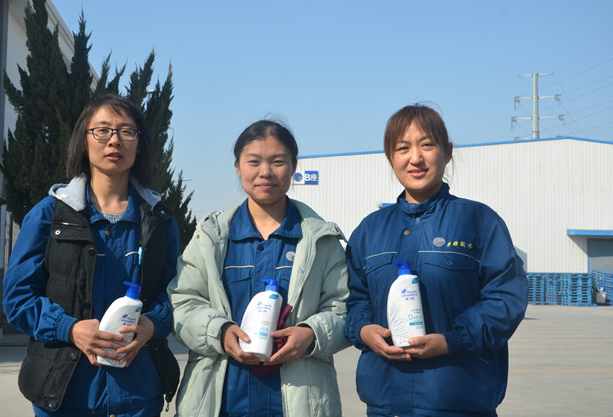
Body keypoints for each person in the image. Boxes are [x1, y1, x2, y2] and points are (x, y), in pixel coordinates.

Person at [344, 104, 528, 417]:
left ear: (447, 152)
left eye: (427, 145)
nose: (415, 158)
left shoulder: (479, 221)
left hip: (460, 404)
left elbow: (505, 301)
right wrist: (363, 330)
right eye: (403, 148)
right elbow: (354, 299)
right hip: (385, 405)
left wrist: (452, 340)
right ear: (390, 157)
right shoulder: (369, 230)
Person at [2, 94, 180, 417]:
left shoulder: (160, 221)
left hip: (139, 396)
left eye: (127, 131)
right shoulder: (48, 216)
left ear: (139, 145)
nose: (115, 140)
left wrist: (152, 325)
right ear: (83, 141)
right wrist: (69, 328)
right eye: (102, 130)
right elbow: (17, 299)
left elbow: (176, 296)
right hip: (65, 396)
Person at [168, 120, 350, 417]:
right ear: (238, 167)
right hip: (224, 403)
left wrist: (311, 334)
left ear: (293, 167)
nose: (265, 172)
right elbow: (182, 301)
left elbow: (344, 306)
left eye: (278, 161)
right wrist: (219, 331)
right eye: (253, 162)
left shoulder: (321, 239)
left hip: (299, 402)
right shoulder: (211, 237)